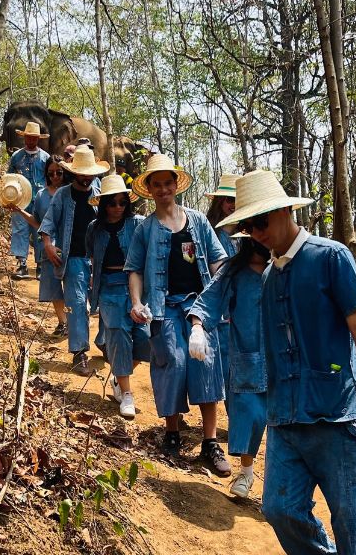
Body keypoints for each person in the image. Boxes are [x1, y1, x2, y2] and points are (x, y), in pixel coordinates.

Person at [216, 169, 356, 555]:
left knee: (355, 529)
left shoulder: (330, 257)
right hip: (287, 420)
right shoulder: (270, 278)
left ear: (284, 212)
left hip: (337, 418)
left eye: (260, 224)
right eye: (248, 229)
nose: (255, 235)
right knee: (278, 508)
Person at [125, 153, 231, 476]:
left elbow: (218, 260)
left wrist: (220, 295)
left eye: (167, 183)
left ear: (176, 185)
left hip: (198, 306)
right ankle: (172, 432)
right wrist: (135, 302)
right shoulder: (145, 229)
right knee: (173, 360)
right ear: (150, 189)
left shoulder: (198, 221)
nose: (162, 189)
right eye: (156, 185)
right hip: (163, 306)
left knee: (205, 361)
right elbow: (134, 269)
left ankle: (210, 442)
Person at [187, 235, 270, 498]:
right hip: (247, 357)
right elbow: (208, 298)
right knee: (248, 415)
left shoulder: (286, 267)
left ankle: (282, 487)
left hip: (284, 359)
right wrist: (198, 327)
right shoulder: (234, 271)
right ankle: (246, 472)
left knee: (284, 425)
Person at [86, 174, 149, 419]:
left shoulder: (138, 224)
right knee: (118, 337)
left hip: (138, 287)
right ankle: (127, 393)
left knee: (146, 341)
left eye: (122, 202)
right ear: (103, 205)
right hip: (110, 288)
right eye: (112, 203)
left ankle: (118, 377)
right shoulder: (95, 228)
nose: (117, 208)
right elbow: (92, 256)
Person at [39, 145, 105, 375]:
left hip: (99, 259)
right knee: (77, 304)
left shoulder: (100, 194)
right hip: (74, 258)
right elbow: (48, 222)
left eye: (90, 173)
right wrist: (48, 244)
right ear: (74, 172)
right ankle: (79, 352)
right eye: (82, 173)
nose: (86, 178)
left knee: (105, 302)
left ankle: (105, 341)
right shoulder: (63, 195)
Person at [6, 155, 67, 335]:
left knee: (71, 287)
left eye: (59, 172)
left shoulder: (71, 193)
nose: (55, 176)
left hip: (68, 246)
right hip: (47, 248)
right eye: (51, 173)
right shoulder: (40, 195)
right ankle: (63, 322)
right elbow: (37, 221)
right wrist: (19, 211)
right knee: (53, 287)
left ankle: (75, 320)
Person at [204, 173, 240, 388]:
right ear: (219, 202)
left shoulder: (248, 235)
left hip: (242, 310)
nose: (233, 205)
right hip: (219, 313)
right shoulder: (209, 232)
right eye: (229, 200)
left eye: (237, 200)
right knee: (225, 368)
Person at [7, 121, 50, 279]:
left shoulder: (46, 158)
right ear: (24, 137)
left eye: (34, 138)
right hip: (19, 200)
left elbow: (51, 178)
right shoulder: (16, 157)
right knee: (19, 230)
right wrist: (8, 199)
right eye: (28, 137)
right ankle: (22, 264)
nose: (31, 140)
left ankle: (40, 265)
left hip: (40, 200)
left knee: (40, 231)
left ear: (38, 138)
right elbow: (9, 178)